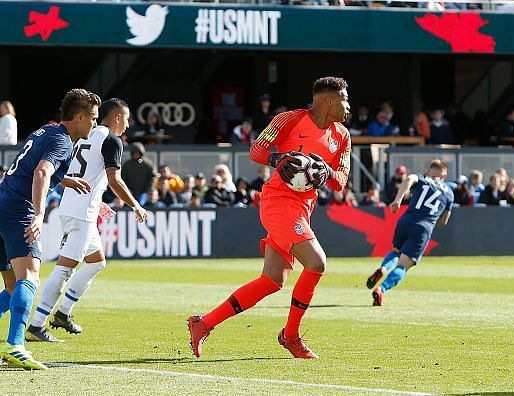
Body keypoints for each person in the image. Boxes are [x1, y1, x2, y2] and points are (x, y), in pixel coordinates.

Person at [187, 77, 351, 359]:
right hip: (278, 201)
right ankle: (290, 336)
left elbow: (341, 181)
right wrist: (279, 159)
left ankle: (204, 324)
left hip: (303, 209)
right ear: (329, 101)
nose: (348, 106)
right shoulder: (289, 119)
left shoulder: (343, 136)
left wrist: (325, 170)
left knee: (272, 280)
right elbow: (256, 151)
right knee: (316, 263)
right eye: (345, 99)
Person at [25, 98, 149, 343]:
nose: (127, 124)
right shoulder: (112, 140)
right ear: (116, 118)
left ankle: (63, 312)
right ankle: (36, 325)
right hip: (81, 212)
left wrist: (97, 201)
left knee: (96, 262)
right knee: (65, 268)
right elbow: (115, 179)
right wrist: (135, 205)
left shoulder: (84, 136)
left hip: (77, 205)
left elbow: (83, 172)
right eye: (126, 119)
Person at [0, 88, 99, 369]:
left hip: (3, 200)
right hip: (19, 208)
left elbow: (32, 167)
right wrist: (39, 213)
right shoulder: (63, 141)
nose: (94, 123)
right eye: (92, 117)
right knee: (29, 277)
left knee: (11, 288)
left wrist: (65, 180)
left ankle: (15, 342)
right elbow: (41, 171)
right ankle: (16, 345)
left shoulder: (46, 131)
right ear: (79, 117)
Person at [366, 159, 453, 306]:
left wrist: (397, 200)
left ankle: (384, 267)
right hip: (423, 227)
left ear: (429, 171)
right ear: (444, 175)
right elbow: (443, 222)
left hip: (406, 220)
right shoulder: (449, 193)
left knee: (396, 251)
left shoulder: (422, 179)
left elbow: (409, 178)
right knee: (404, 265)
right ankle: (381, 289)